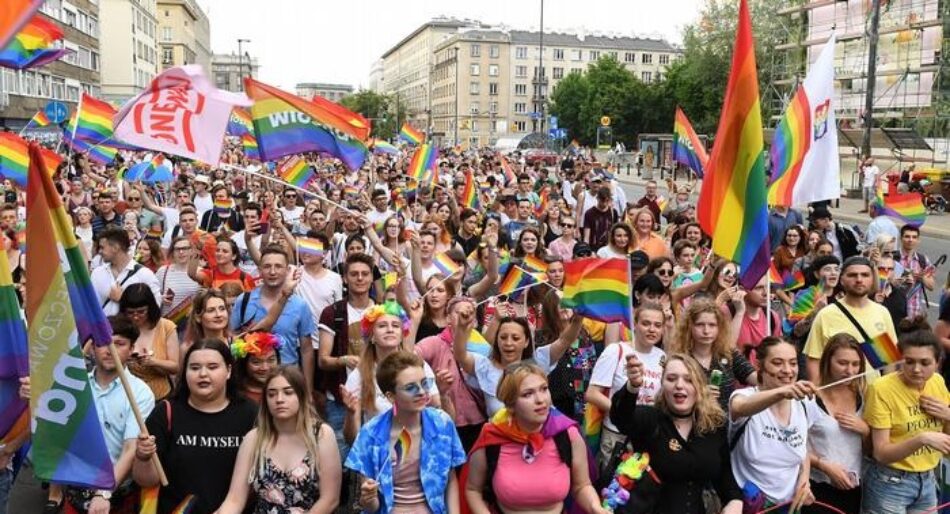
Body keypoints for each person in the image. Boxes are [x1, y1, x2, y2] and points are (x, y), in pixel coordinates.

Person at [21, 315, 156, 514]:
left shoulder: (141, 394)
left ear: (132, 349)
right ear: (92, 348)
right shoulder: (74, 387)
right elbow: (52, 431)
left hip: (116, 493)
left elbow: (130, 450)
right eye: (102, 342)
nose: (110, 350)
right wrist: (32, 400)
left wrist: (104, 493)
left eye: (119, 343)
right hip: (75, 488)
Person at [133, 339, 258, 514]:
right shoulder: (166, 412)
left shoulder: (250, 414)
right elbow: (146, 481)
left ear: (228, 371)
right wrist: (143, 457)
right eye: (194, 367)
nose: (203, 374)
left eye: (212, 367)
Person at [463, 363, 607, 514]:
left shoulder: (567, 435)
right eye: (528, 394)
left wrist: (595, 507)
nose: (540, 400)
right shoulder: (492, 438)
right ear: (510, 404)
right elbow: (473, 490)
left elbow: (582, 486)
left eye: (544, 389)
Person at [610, 353, 743, 513]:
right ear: (662, 385)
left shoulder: (713, 427)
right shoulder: (650, 420)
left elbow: (725, 477)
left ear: (699, 386)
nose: (679, 385)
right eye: (671, 379)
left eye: (688, 379)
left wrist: (734, 502)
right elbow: (621, 417)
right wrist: (632, 387)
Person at [344, 351, 465, 514]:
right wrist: (368, 498)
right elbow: (371, 507)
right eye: (411, 388)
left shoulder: (442, 423)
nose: (422, 392)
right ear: (391, 396)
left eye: (425, 383)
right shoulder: (371, 434)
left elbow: (451, 480)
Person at [216, 366, 342, 514]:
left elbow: (330, 499)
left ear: (301, 396)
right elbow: (235, 499)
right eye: (272, 394)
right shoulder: (254, 438)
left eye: (288, 393)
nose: (279, 399)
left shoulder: (322, 434)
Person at [862, 318, 950, 514]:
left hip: (928, 479)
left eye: (925, 362)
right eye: (909, 362)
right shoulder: (881, 388)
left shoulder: (937, 382)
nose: (916, 369)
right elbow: (881, 453)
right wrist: (922, 438)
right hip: (891, 482)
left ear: (937, 362)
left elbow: (947, 446)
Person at [729, 337, 819, 512]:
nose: (787, 370)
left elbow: (803, 449)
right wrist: (781, 392)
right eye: (778, 363)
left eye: (793, 363)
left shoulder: (804, 403)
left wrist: (804, 479)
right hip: (751, 505)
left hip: (789, 506)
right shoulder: (745, 396)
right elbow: (740, 407)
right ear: (759, 365)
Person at [452, 300, 583, 416]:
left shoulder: (537, 362)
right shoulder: (485, 366)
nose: (508, 343)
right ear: (496, 340)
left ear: (526, 342)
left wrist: (578, 319)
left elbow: (565, 340)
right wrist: (462, 328)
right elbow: (460, 355)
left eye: (515, 338)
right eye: (503, 337)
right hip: (500, 439)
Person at [341, 301, 440, 443]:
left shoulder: (419, 366)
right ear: (372, 336)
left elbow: (436, 407)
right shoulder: (359, 375)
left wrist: (442, 392)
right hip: (380, 451)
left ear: (402, 334)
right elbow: (352, 439)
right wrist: (351, 414)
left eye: (395, 325)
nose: (390, 330)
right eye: (382, 326)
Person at [587, 303, 667, 465]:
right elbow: (592, 393)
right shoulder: (616, 351)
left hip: (647, 437)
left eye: (657, 325)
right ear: (634, 325)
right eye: (646, 323)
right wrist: (624, 413)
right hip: (617, 435)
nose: (652, 329)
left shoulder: (662, 357)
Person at [231, 245, 315, 389]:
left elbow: (306, 350)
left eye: (278, 266)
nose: (273, 271)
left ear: (287, 270)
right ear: (259, 270)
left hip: (288, 380)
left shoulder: (300, 305)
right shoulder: (243, 300)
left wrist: (307, 389)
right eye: (267, 266)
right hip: (251, 382)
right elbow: (232, 337)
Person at [803, 334, 868, 514]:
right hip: (819, 488)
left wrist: (865, 430)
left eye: (855, 364)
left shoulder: (863, 396)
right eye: (842, 363)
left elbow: (874, 448)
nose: (850, 370)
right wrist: (824, 465)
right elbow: (795, 446)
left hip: (855, 488)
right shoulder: (810, 399)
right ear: (828, 361)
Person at [804, 256, 897, 381]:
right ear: (841, 280)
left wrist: (885, 393)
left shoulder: (882, 312)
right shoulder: (826, 315)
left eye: (865, 275)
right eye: (852, 275)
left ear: (872, 279)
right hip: (836, 395)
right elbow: (814, 359)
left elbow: (889, 361)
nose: (859, 280)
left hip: (872, 395)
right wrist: (819, 394)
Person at [671, 299, 757, 412]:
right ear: (689, 327)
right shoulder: (681, 359)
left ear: (719, 327)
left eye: (712, 325)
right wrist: (698, 395)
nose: (706, 331)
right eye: (700, 325)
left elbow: (757, 379)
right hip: (693, 422)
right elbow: (670, 396)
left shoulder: (729, 354)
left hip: (727, 426)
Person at [119, 284, 180, 400]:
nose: (136, 317)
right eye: (131, 313)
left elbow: (175, 367)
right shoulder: (120, 328)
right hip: (129, 396)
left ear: (150, 308)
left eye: (141, 312)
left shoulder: (166, 327)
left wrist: (153, 362)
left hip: (160, 395)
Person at [90, 227, 162, 317]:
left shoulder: (145, 275)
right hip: (102, 330)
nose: (99, 252)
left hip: (132, 330)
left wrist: (122, 300)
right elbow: (90, 306)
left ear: (115, 248)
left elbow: (155, 308)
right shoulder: (97, 273)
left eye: (102, 247)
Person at [155, 236, 201, 336]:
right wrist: (160, 298)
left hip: (191, 326)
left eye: (184, 248)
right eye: (177, 249)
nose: (181, 252)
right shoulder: (163, 271)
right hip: (168, 324)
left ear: (192, 251)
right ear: (172, 252)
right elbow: (152, 295)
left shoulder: (201, 272)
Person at [896, 224, 935, 320]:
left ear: (918, 240)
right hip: (894, 311)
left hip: (914, 313)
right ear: (901, 238)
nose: (910, 240)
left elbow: (931, 286)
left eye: (914, 237)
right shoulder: (893, 258)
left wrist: (922, 277)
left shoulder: (923, 260)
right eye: (907, 236)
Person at [230, 332, 281, 404]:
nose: (265, 368)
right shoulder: (233, 393)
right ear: (244, 364)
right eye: (256, 362)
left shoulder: (287, 388)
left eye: (271, 360)